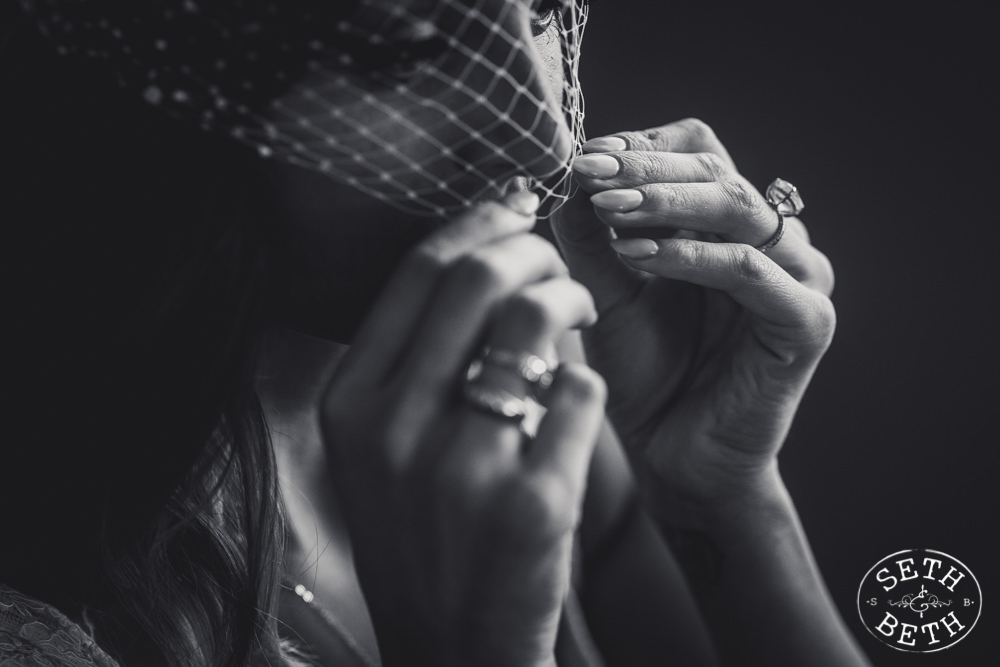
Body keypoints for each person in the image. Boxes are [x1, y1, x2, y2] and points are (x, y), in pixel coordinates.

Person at [2, 1, 870, 666]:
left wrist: (720, 488)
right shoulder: (42, 608)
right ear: (169, 78)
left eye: (537, 13)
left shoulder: (525, 371)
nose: (539, 133)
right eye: (403, 54)